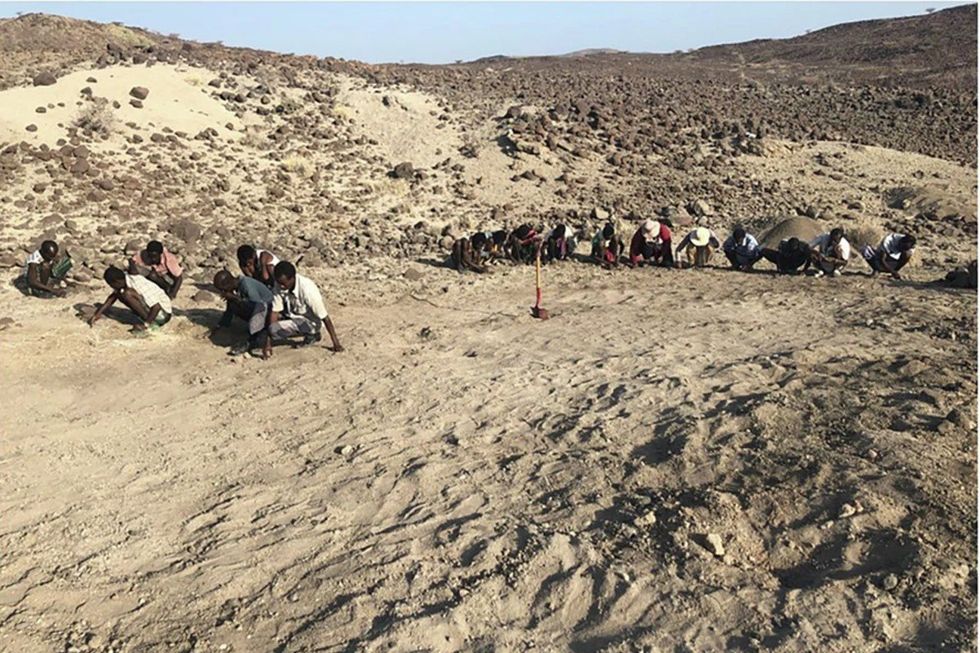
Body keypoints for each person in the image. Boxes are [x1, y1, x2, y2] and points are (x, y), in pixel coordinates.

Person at [266, 261, 343, 358]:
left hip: (310, 322)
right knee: (272, 327)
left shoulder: (308, 290)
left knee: (277, 328)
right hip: (292, 314)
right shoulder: (279, 285)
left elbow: (325, 317)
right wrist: (268, 342)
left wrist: (336, 343)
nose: (281, 286)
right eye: (279, 283)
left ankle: (312, 334)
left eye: (283, 284)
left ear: (292, 278)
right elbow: (275, 311)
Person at [88, 265, 172, 331]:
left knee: (127, 294)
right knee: (120, 294)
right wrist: (97, 314)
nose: (111, 287)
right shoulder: (124, 281)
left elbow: (156, 307)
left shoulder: (137, 282)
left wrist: (146, 325)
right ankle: (146, 319)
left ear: (117, 281)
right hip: (154, 311)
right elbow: (112, 298)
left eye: (111, 285)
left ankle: (151, 323)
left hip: (163, 315)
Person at [211, 270, 274, 356]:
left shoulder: (246, 285)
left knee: (235, 302)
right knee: (232, 303)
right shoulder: (237, 287)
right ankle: (225, 325)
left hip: (268, 311)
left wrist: (235, 298)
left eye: (223, 289)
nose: (223, 292)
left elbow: (258, 306)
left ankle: (253, 340)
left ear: (229, 283)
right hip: (260, 310)